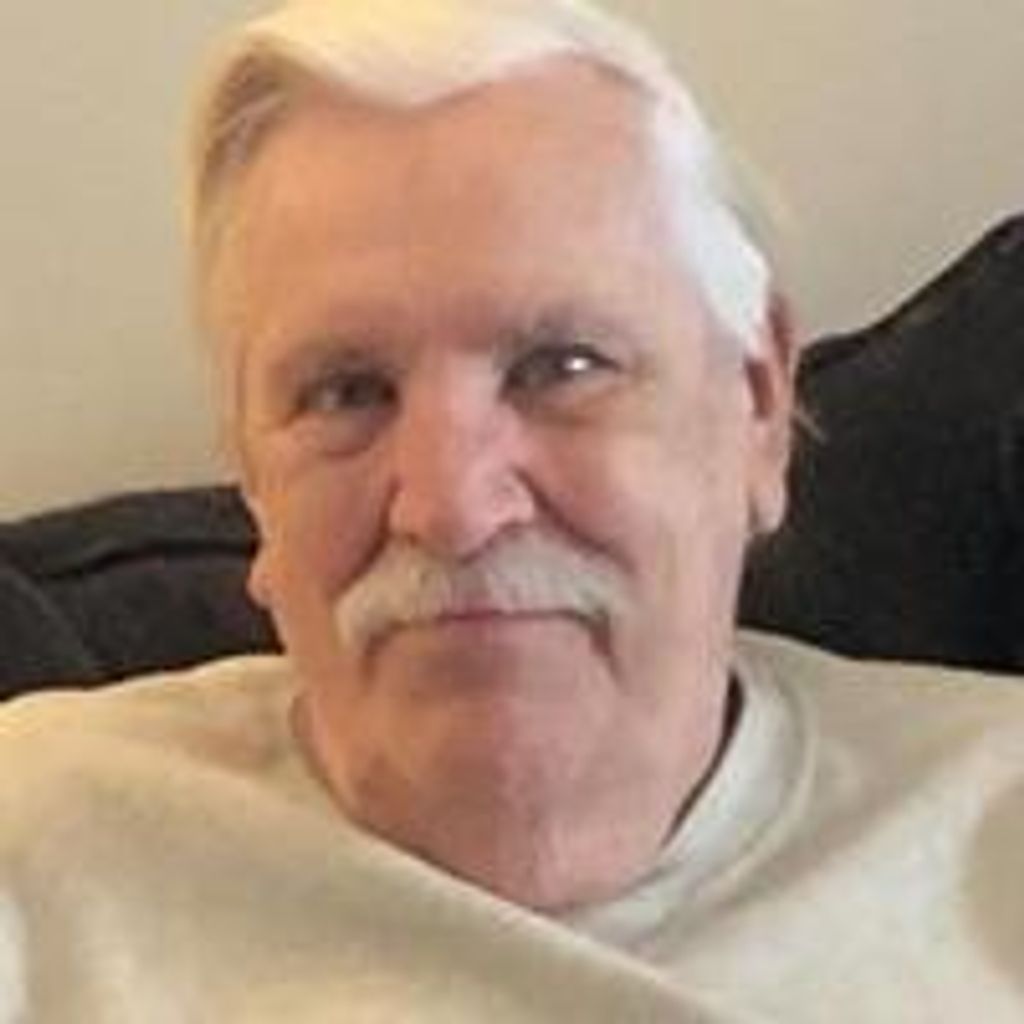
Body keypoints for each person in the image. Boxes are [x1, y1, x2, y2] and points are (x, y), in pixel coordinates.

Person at [1, 1, 1022, 1020]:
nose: (452, 508)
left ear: (754, 406)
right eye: (347, 393)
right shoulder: (35, 856)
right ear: (253, 476)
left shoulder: (993, 833)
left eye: (561, 367)